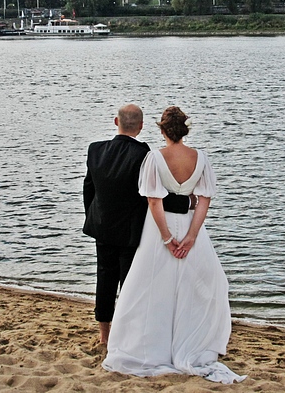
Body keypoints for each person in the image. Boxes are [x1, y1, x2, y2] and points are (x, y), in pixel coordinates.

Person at [102, 106, 246, 384]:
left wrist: (167, 238)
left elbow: (154, 202)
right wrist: (192, 235)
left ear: (162, 130)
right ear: (185, 129)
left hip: (159, 230)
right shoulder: (200, 158)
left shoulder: (154, 157)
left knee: (152, 287)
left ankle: (152, 345)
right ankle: (190, 342)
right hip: (192, 227)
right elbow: (204, 200)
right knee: (197, 287)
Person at [83, 104, 151, 345]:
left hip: (102, 224)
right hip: (131, 229)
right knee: (129, 282)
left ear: (116, 121)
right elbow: (148, 193)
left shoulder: (96, 150)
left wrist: (93, 215)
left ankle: (104, 336)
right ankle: (129, 333)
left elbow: (88, 187)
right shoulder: (143, 154)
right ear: (141, 126)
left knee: (104, 278)